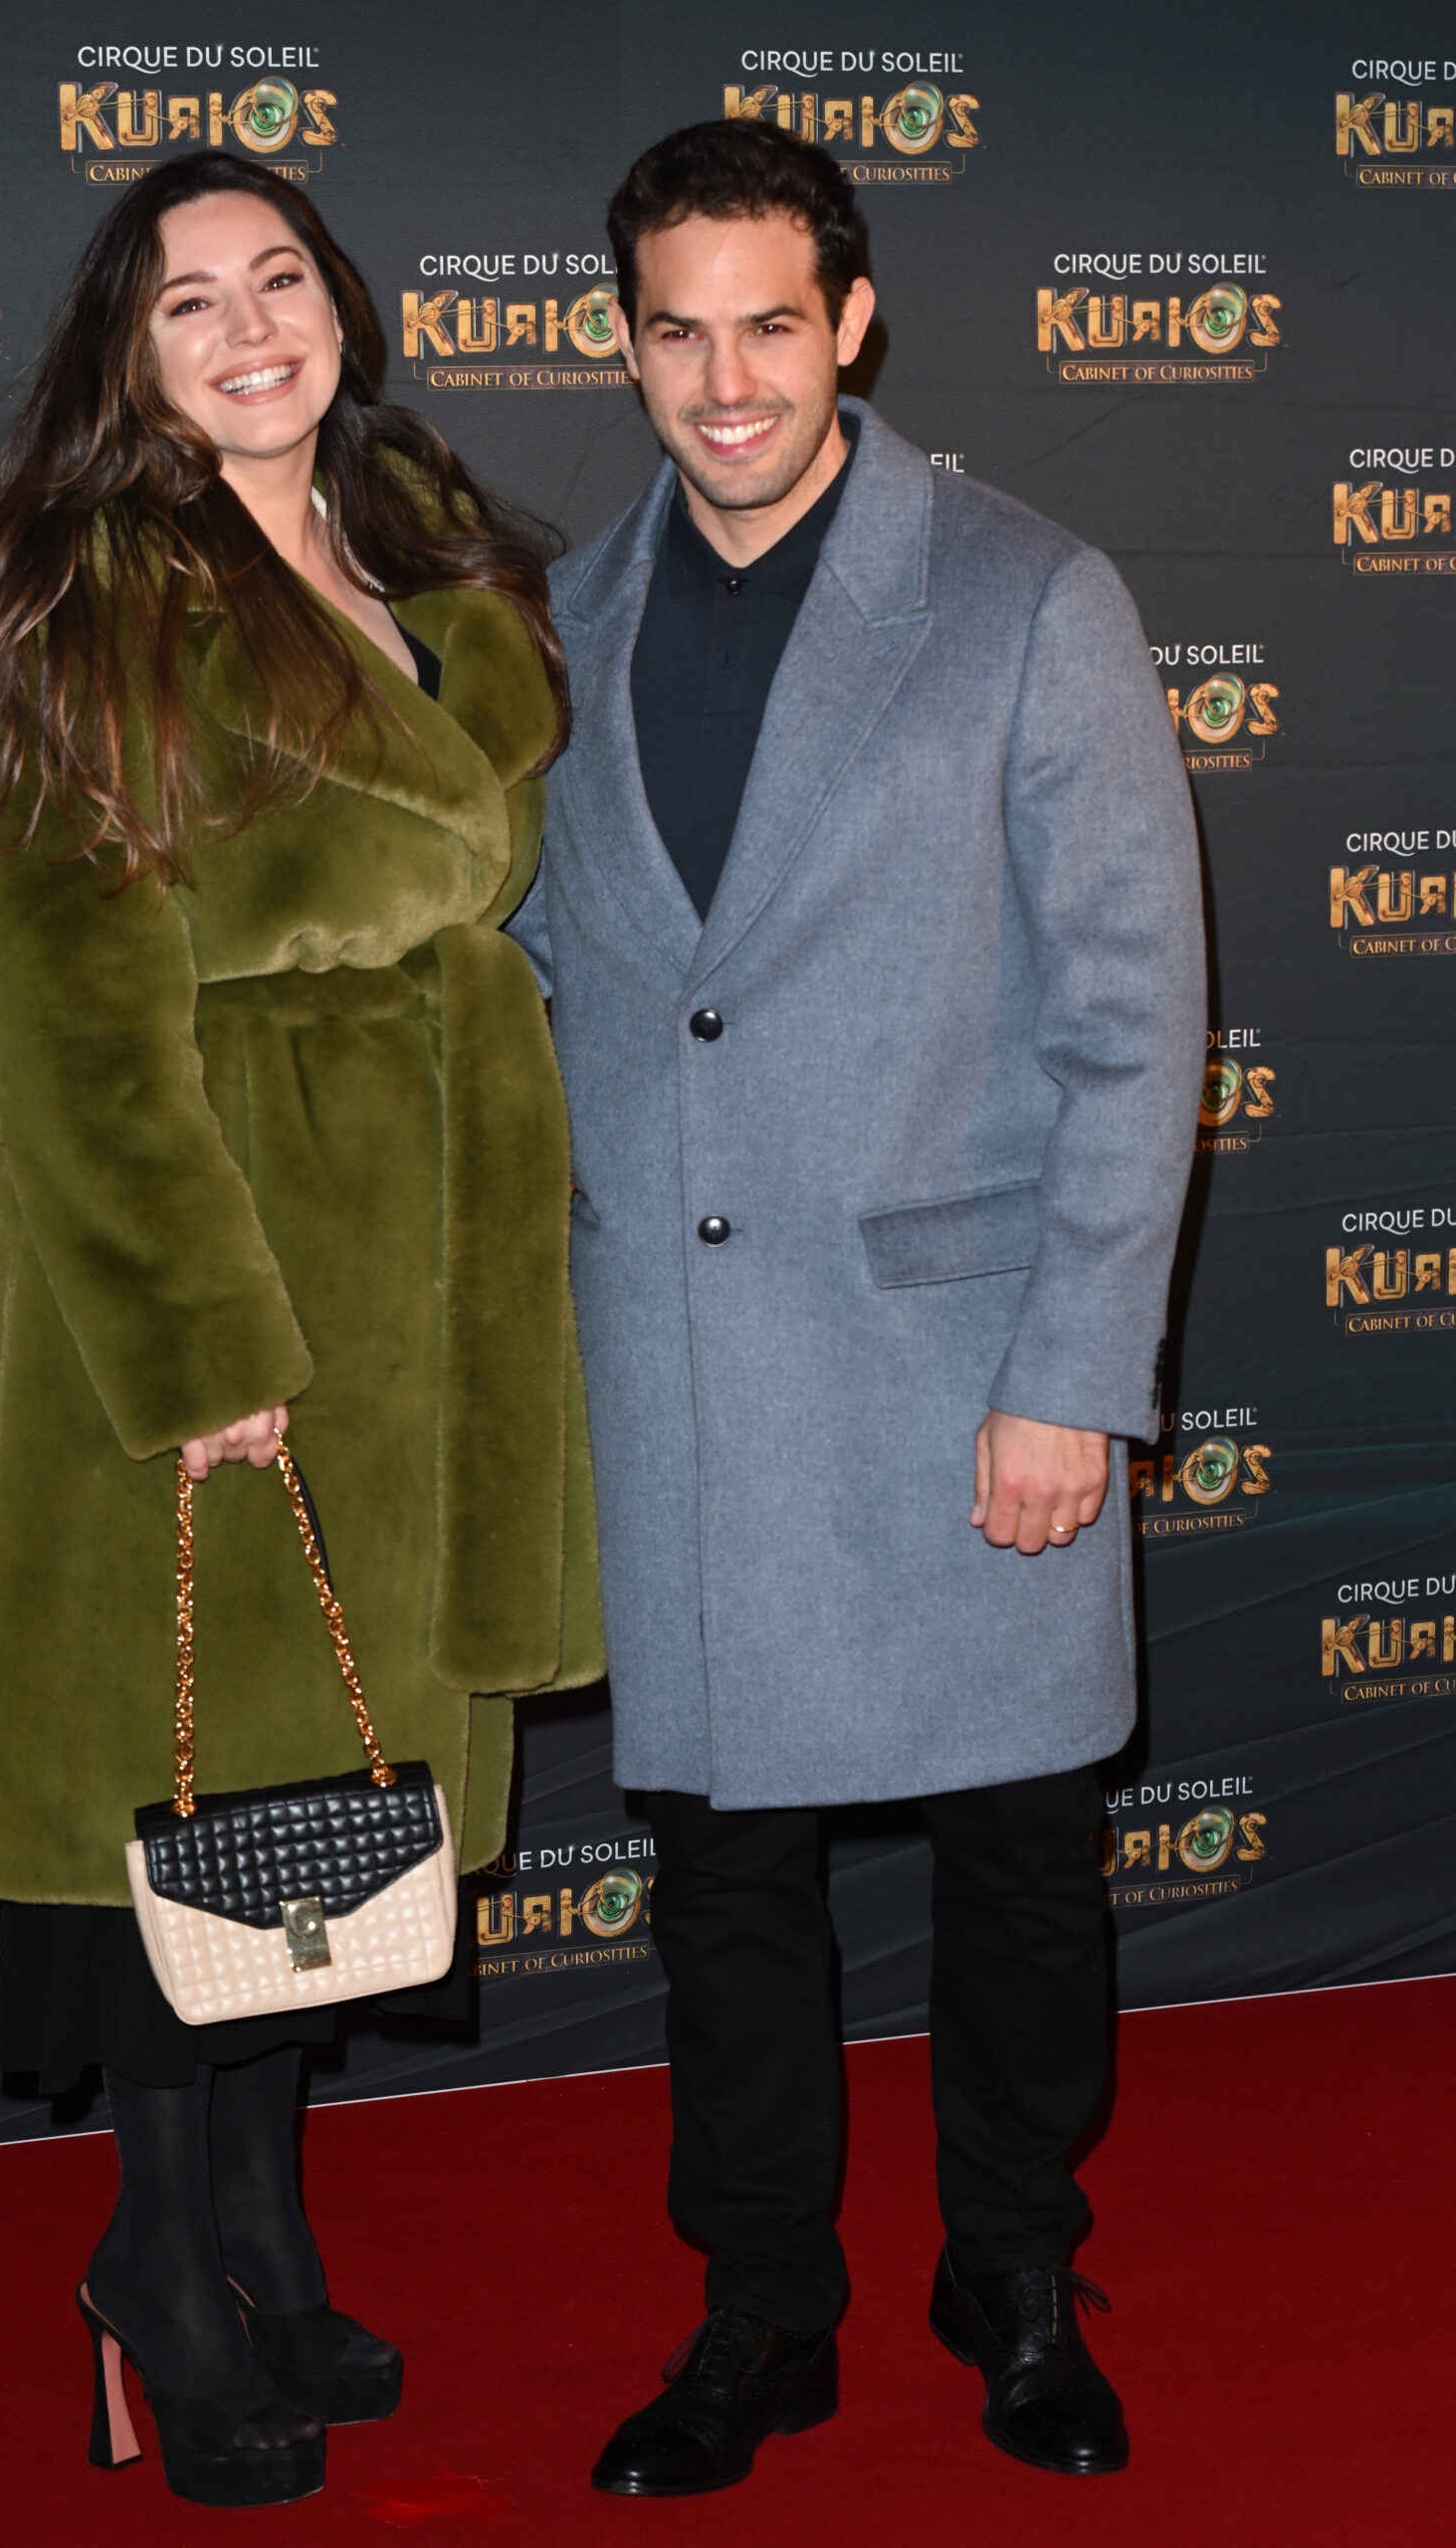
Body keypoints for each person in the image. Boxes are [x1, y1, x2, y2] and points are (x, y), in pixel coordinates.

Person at [0, 149, 600, 2510]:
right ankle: (154, 2270)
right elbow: (73, 1022)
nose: (249, 327)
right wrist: (206, 1348)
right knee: (184, 1774)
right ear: (132, 356)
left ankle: (269, 2234)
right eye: (188, 300)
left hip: (425, 1264)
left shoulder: (423, 556)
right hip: (208, 1252)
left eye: (279, 277)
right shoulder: (95, 600)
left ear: (344, 306)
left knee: (323, 1794)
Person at [509, 120, 1203, 2494]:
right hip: (686, 1382)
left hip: (960, 1374)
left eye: (771, 326)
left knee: (1018, 1863)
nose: (726, 382)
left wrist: (1073, 1376)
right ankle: (760, 2306)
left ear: (854, 325)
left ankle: (1011, 2268)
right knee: (724, 1885)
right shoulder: (555, 628)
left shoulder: (1026, 594)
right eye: (677, 331)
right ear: (623, 341)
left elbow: (1130, 1019)